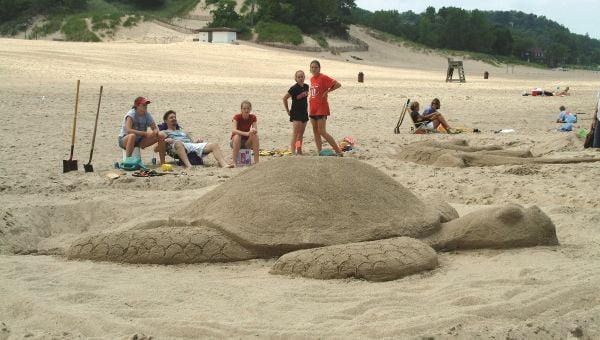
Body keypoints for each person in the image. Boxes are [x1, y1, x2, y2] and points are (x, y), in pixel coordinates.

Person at [161, 110, 232, 169]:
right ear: (165, 121)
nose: (174, 119)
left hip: (190, 145)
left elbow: (192, 143)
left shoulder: (184, 131)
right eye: (171, 117)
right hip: (177, 146)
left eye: (174, 117)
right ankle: (189, 166)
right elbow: (156, 148)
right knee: (178, 142)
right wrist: (165, 141)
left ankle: (224, 165)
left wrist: (197, 142)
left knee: (214, 145)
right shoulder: (164, 132)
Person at [308, 60, 343, 156]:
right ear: (310, 69)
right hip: (312, 108)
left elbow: (338, 84)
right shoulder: (311, 79)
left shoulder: (323, 77)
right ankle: (320, 151)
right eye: (312, 67)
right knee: (315, 131)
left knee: (322, 131)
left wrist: (328, 91)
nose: (314, 69)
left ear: (319, 68)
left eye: (316, 67)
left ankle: (338, 151)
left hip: (321, 108)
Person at [118, 96, 166, 164]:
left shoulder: (147, 114)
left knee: (161, 135)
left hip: (139, 140)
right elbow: (128, 130)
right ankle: (128, 162)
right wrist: (144, 133)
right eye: (143, 104)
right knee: (132, 136)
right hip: (125, 139)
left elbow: (155, 128)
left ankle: (163, 163)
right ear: (137, 105)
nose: (145, 106)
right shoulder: (131, 114)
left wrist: (154, 132)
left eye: (146, 104)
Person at [283, 70, 309, 155]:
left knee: (300, 134)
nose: (301, 78)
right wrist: (287, 110)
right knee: (295, 133)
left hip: (304, 112)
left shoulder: (306, 86)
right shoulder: (293, 88)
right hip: (296, 112)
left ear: (304, 77)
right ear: (295, 78)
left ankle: (299, 150)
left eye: (302, 76)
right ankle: (293, 152)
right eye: (299, 77)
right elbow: (284, 98)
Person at [231, 100, 259, 166]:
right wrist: (246, 133)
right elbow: (233, 130)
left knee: (255, 136)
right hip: (236, 141)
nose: (246, 110)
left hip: (247, 142)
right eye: (244, 108)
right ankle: (234, 162)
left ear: (250, 109)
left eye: (248, 108)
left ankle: (256, 162)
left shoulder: (253, 117)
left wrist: (253, 130)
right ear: (241, 109)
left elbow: (255, 129)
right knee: (238, 136)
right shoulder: (237, 117)